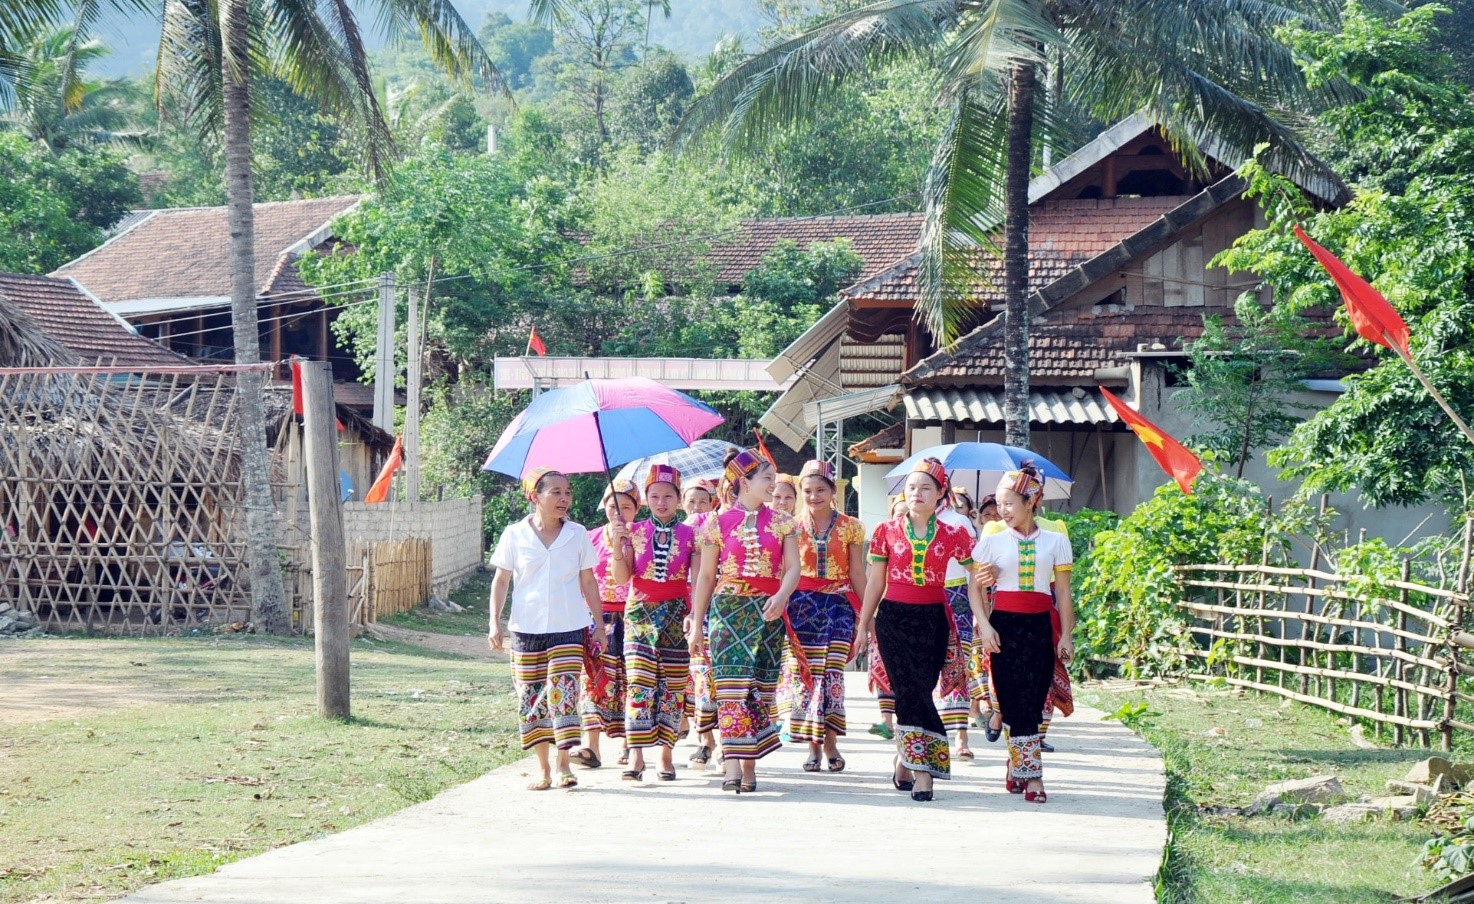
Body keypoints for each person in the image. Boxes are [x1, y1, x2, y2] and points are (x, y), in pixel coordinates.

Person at [857, 458, 995, 803]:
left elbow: (973, 579)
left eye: (925, 488)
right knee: (908, 692)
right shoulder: (885, 531)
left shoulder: (955, 533)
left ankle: (906, 758)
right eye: (912, 486)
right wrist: (864, 624)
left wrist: (983, 617)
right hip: (893, 620)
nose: (916, 493)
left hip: (933, 619)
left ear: (941, 496)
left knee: (922, 690)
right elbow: (875, 582)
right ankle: (924, 772)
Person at [689, 448, 800, 794]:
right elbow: (706, 577)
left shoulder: (784, 523)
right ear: (744, 482)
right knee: (730, 690)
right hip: (727, 611)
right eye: (766, 478)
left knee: (759, 691)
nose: (773, 484)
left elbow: (794, 568)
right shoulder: (715, 523)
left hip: (769, 613)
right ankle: (734, 765)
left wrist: (781, 598)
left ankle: (749, 763)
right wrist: (696, 620)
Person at [488, 467, 602, 791]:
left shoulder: (577, 534)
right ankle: (543, 769)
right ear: (534, 496)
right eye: (556, 492)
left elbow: (588, 580)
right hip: (526, 629)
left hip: (569, 626)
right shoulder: (514, 534)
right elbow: (501, 580)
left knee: (563, 692)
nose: (564, 498)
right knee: (532, 697)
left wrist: (600, 625)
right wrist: (494, 622)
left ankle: (564, 764)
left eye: (567, 492)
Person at [973, 466, 1076, 804]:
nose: (1003, 511)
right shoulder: (992, 540)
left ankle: (1027, 771)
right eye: (999, 504)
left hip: (1040, 627)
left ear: (1031, 501)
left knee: (1033, 702)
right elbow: (975, 589)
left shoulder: (1057, 542)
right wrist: (985, 626)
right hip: (1004, 626)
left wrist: (1066, 635)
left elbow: (1062, 594)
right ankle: (1029, 773)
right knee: (1013, 703)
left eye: (1009, 504)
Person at [609, 465, 697, 781]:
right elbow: (621, 578)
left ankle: (666, 754)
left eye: (668, 496)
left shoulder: (691, 534)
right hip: (639, 613)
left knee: (672, 686)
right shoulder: (631, 531)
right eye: (655, 496)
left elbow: (697, 579)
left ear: (678, 499)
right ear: (646, 499)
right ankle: (636, 755)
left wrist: (695, 616)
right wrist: (619, 550)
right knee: (639, 681)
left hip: (677, 613)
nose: (661, 502)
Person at [784, 459, 866, 772]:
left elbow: (857, 572)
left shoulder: (851, 526)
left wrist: (868, 614)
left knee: (832, 675)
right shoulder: (788, 525)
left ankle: (831, 741)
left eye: (821, 489)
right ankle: (812, 746)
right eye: (807, 490)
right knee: (807, 676)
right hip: (801, 606)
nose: (814, 495)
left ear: (833, 490)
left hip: (839, 606)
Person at [572, 478, 640, 770]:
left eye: (626, 506)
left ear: (637, 509)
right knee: (593, 678)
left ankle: (629, 743)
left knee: (631, 679)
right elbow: (580, 577)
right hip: (596, 617)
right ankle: (592, 746)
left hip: (636, 615)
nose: (619, 513)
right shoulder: (589, 538)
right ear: (604, 508)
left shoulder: (644, 536)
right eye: (613, 506)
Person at [934, 492, 979, 760]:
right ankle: (933, 733)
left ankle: (961, 734)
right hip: (922, 596)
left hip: (957, 596)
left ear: (941, 491)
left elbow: (973, 571)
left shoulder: (959, 522)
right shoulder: (907, 521)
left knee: (958, 665)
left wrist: (977, 611)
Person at [866, 495, 909, 741]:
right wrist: (868, 615)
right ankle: (886, 720)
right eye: (897, 513)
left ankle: (903, 719)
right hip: (885, 611)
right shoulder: (883, 540)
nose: (901, 518)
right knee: (881, 664)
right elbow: (871, 578)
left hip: (912, 612)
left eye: (905, 513)